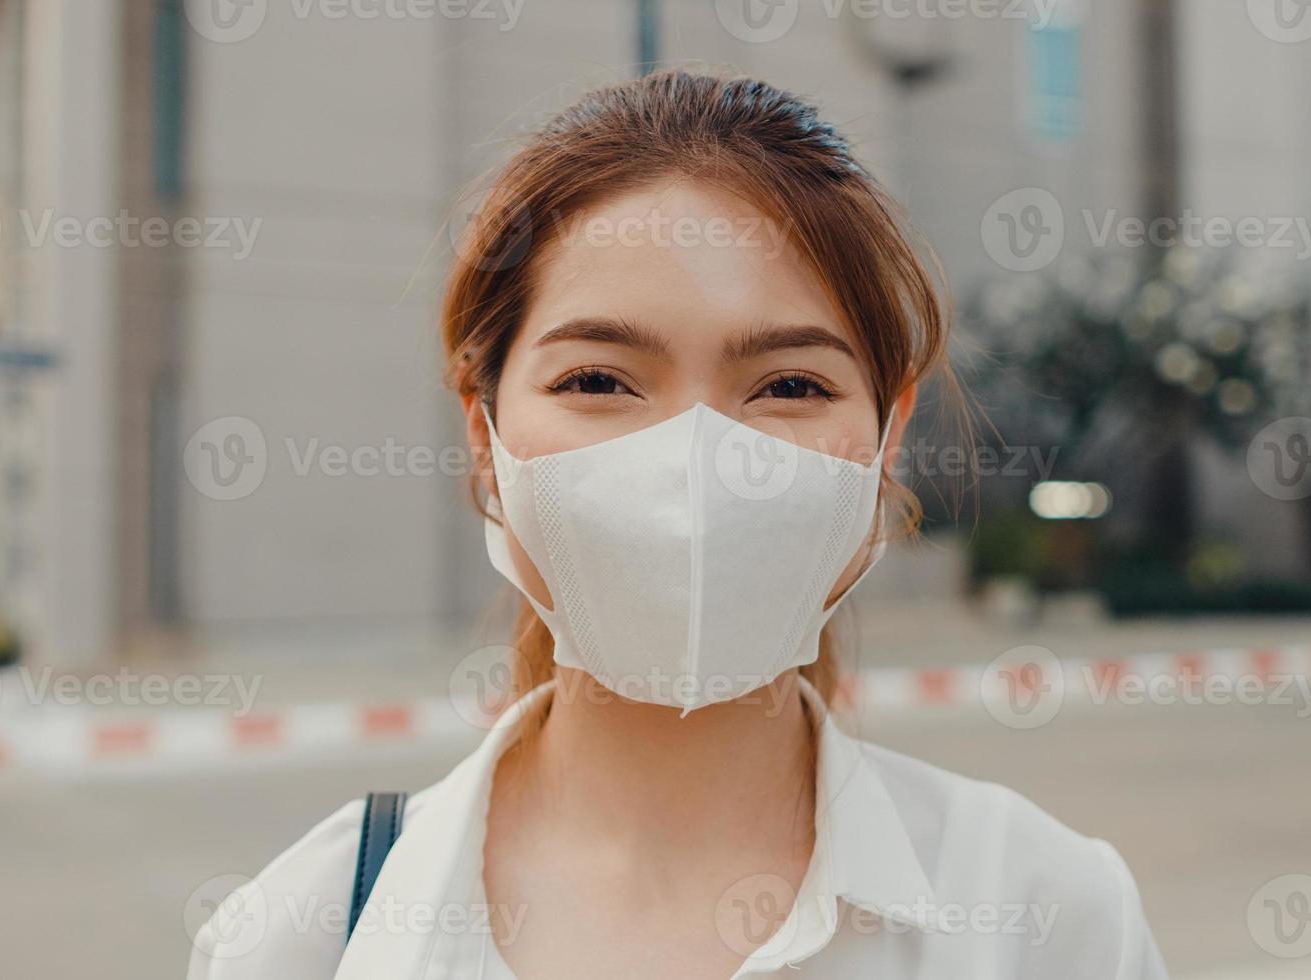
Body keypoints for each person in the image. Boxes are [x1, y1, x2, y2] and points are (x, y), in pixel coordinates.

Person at [188, 69, 1167, 980]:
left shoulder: (1046, 913)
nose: (695, 460)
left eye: (787, 384)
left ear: (885, 441)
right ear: (482, 432)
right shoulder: (310, 931)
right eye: (598, 380)